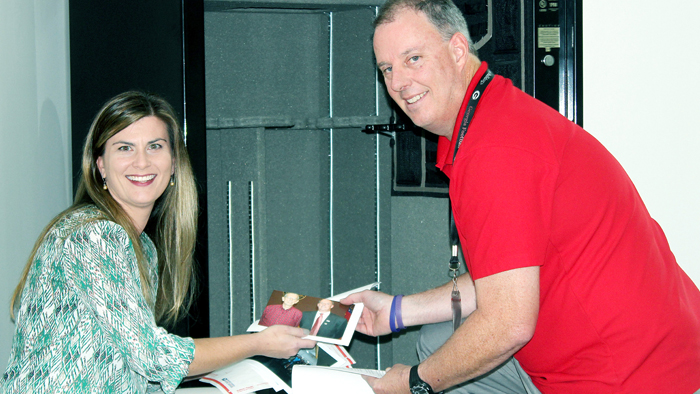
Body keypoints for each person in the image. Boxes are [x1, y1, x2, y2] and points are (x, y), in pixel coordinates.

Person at [341, 1, 700, 394]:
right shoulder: (491, 117)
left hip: (630, 376)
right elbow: (503, 277)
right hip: (636, 346)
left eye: (413, 59)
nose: (399, 83)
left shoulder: (495, 151)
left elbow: (508, 323)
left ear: (458, 51)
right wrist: (395, 312)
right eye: (388, 69)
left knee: (433, 367)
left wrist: (412, 383)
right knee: (433, 341)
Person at [1, 91, 315, 394]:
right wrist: (257, 344)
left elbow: (136, 372)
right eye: (124, 148)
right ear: (100, 166)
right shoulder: (95, 235)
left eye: (155, 146)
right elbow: (154, 357)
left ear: (174, 162)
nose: (141, 163)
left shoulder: (142, 247)